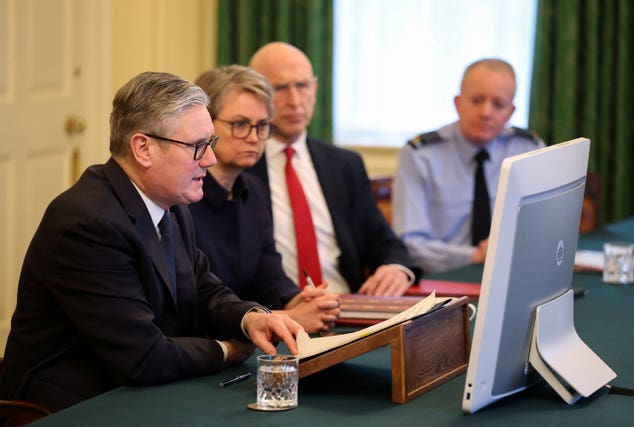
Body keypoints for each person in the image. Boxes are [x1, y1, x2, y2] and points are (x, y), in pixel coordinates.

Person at [0, 71, 303, 411]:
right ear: (143, 148)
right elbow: (143, 356)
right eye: (198, 147)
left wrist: (250, 319)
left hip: (131, 384)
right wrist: (229, 349)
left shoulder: (170, 203)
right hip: (67, 404)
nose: (210, 160)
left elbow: (203, 289)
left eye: (211, 144)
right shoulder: (89, 223)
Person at [247, 41, 420, 297]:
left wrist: (395, 269)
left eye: (302, 86)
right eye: (280, 88)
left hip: (345, 305)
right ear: (256, 95)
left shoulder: (344, 165)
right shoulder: (239, 168)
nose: (295, 101)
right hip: (276, 314)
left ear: (315, 89)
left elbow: (385, 243)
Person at [189, 65, 340, 333]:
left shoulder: (254, 190)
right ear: (206, 123)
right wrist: (285, 316)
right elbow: (196, 299)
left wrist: (301, 300)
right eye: (240, 125)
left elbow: (267, 274)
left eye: (262, 127)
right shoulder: (184, 196)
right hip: (207, 339)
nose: (254, 138)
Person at [393, 58, 545, 274]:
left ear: (510, 112)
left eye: (498, 104)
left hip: (511, 273)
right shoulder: (420, 155)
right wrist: (476, 256)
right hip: (442, 279)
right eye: (476, 100)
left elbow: (542, 228)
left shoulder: (529, 149)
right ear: (457, 103)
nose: (485, 112)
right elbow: (411, 244)